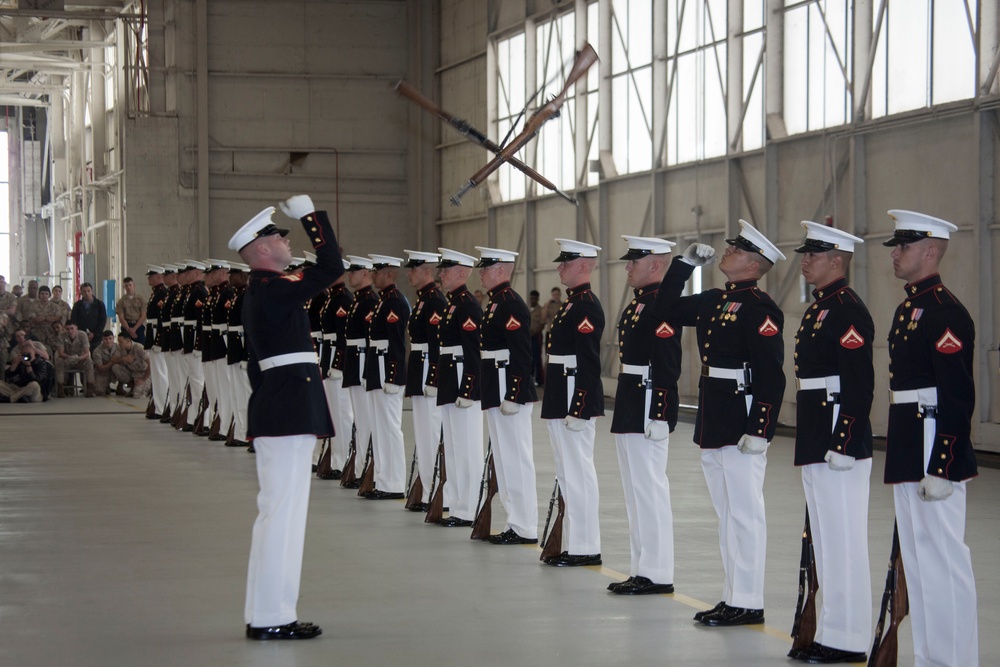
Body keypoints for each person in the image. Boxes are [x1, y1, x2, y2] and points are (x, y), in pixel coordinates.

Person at [227, 194, 343, 641]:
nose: (286, 240)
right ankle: (272, 616)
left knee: (279, 514)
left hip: (284, 408)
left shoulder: (267, 290)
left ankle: (267, 612)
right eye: (279, 236)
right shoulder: (271, 289)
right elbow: (331, 266)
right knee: (282, 516)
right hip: (288, 410)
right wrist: (312, 217)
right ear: (260, 251)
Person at [660, 219, 786, 627]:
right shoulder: (716, 299)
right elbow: (665, 309)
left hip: (741, 416)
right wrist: (683, 266)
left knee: (745, 512)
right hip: (715, 416)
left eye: (735, 250)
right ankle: (733, 596)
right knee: (727, 512)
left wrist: (760, 428)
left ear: (753, 263)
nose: (726, 253)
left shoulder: (760, 308)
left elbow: (771, 373)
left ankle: (748, 601)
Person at [882, 209, 978, 666]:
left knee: (944, 557)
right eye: (896, 246)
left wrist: (944, 462)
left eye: (904, 246)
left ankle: (955, 660)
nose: (896, 254)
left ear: (931, 251)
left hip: (932, 435)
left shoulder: (945, 311)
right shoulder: (910, 307)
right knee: (918, 561)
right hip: (907, 434)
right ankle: (930, 657)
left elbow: (957, 393)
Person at [787, 222, 874, 664]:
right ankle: (833, 631)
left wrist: (845, 439)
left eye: (814, 255)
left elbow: (859, 383)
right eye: (805, 253)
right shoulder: (821, 307)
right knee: (825, 538)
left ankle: (851, 637)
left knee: (844, 539)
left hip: (839, 431)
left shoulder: (848, 310)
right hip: (817, 427)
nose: (805, 261)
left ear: (837, 260)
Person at [607, 236, 709, 595]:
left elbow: (667, 363)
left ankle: (658, 571)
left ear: (655, 264)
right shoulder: (638, 305)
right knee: (636, 491)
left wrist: (661, 413)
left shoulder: (660, 307)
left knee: (650, 488)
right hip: (631, 400)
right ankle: (642, 567)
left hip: (649, 400)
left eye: (634, 261)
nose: (628, 267)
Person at [540, 239, 605, 566]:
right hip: (559, 390)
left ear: (583, 266)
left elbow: (589, 361)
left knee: (579, 471)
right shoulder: (570, 304)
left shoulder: (586, 305)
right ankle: (573, 542)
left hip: (572, 393)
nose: (559, 268)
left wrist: (580, 406)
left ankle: (586, 546)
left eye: (566, 263)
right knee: (567, 472)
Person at [475, 246, 539, 544]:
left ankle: (525, 525)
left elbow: (521, 353)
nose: (481, 273)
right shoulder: (495, 303)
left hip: (506, 386)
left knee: (516, 457)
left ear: (500, 270)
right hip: (494, 383)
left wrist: (514, 393)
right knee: (503, 458)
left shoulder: (511, 303)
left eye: (485, 268)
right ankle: (515, 521)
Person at [431, 248, 484, 528]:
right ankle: (456, 503)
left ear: (462, 273)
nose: (441, 275)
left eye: (446, 270)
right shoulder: (453, 303)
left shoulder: (467, 304)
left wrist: (468, 388)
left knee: (467, 448)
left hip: (463, 379)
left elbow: (473, 350)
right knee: (452, 446)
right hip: (451, 378)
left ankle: (468, 507)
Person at [362, 254, 410, 499]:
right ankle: (383, 480)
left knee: (390, 427)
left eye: (377, 272)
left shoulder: (394, 301)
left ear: (389, 274)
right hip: (376, 366)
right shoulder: (383, 300)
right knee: (379, 426)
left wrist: (392, 375)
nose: (373, 276)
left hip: (386, 369)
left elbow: (397, 342)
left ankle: (394, 483)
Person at [402, 250, 446, 511]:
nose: (409, 273)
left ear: (427, 271)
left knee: (431, 430)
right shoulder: (422, 301)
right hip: (419, 367)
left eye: (414, 269)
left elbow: (437, 345)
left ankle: (436, 492)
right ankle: (429, 489)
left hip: (429, 367)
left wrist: (433, 377)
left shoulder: (435, 301)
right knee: (423, 434)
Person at [340, 255, 379, 487]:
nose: (349, 275)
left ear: (365, 274)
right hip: (355, 363)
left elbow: (368, 338)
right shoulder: (357, 300)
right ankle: (361, 466)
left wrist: (367, 370)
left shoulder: (370, 300)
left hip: (365, 363)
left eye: (354, 272)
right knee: (361, 420)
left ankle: (367, 467)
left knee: (366, 420)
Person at [318, 261, 354, 477]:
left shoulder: (343, 299)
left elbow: (342, 336)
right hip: (328, 356)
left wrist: (338, 363)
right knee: (334, 413)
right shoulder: (333, 297)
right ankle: (337, 459)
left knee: (342, 413)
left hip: (337, 361)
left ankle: (343, 460)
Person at [145, 266, 170, 418]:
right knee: (156, 374)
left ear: (160, 277)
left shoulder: (162, 293)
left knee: (161, 373)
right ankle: (158, 405)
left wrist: (158, 340)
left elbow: (162, 320)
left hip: (157, 335)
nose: (149, 278)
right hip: (152, 333)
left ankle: (162, 407)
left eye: (152, 276)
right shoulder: (156, 293)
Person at [110, 331, 150, 397]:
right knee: (115, 367)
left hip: (142, 373)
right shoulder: (121, 348)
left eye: (121, 341)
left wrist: (143, 379)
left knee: (137, 395)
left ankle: (148, 387)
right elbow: (113, 359)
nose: (119, 343)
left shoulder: (138, 347)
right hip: (131, 372)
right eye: (118, 341)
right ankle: (132, 384)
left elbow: (150, 364)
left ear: (128, 341)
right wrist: (123, 358)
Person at [70, 282, 108, 352]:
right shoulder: (77, 305)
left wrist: (94, 333)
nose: (87, 293)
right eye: (84, 291)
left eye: (88, 291)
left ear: (92, 291)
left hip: (96, 338)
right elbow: (73, 320)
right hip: (80, 337)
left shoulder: (99, 304)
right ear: (81, 293)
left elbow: (102, 320)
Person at [28, 286, 63, 352]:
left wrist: (44, 318)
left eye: (46, 294)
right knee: (39, 350)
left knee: (53, 350)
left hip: (52, 332)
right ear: (39, 295)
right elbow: (34, 319)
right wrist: (49, 318)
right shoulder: (33, 306)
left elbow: (58, 318)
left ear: (49, 295)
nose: (44, 296)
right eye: (42, 294)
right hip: (37, 332)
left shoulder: (55, 306)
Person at [116, 276, 147, 345]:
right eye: (126, 285)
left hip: (138, 326)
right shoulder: (121, 301)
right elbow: (121, 317)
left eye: (130, 285)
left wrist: (134, 329)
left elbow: (143, 315)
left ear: (134, 285)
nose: (129, 287)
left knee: (141, 347)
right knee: (125, 347)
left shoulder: (141, 299)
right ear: (124, 287)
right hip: (126, 326)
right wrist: (129, 330)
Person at [91, 330, 120, 395]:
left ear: (113, 338)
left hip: (116, 370)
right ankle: (106, 386)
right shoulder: (97, 351)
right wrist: (112, 361)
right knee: (98, 391)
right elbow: (100, 369)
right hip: (103, 373)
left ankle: (120, 387)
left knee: (118, 368)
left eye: (110, 338)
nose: (108, 341)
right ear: (102, 339)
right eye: (105, 339)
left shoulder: (119, 348)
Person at [528, 289, 544, 386]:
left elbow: (542, 324)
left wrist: (535, 332)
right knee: (529, 357)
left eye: (534, 298)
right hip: (528, 336)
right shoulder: (527, 309)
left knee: (537, 357)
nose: (532, 300)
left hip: (536, 336)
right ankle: (530, 378)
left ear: (537, 299)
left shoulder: (540, 310)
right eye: (531, 298)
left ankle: (539, 379)